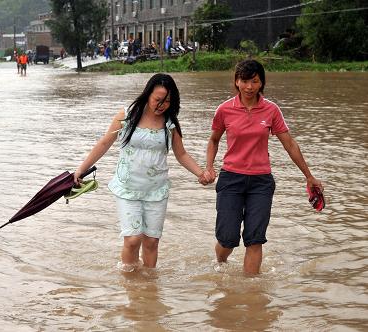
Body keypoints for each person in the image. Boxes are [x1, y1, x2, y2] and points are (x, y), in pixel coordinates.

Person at [74, 73, 207, 272]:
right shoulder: (127, 115)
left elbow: (182, 154)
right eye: (157, 100)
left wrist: (200, 173)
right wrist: (81, 170)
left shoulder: (170, 124)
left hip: (156, 190)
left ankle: (148, 288)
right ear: (147, 95)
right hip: (128, 187)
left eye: (167, 101)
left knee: (151, 241)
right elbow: (104, 143)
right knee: (133, 239)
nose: (161, 105)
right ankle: (130, 286)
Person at [202, 59, 324, 275]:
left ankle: (252, 294)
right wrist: (209, 167)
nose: (250, 87)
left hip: (261, 182)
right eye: (245, 81)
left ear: (261, 83)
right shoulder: (224, 110)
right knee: (227, 239)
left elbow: (290, 144)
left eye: (255, 81)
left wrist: (309, 176)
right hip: (231, 179)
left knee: (254, 239)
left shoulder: (271, 110)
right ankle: (220, 263)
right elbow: (213, 140)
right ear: (237, 82)